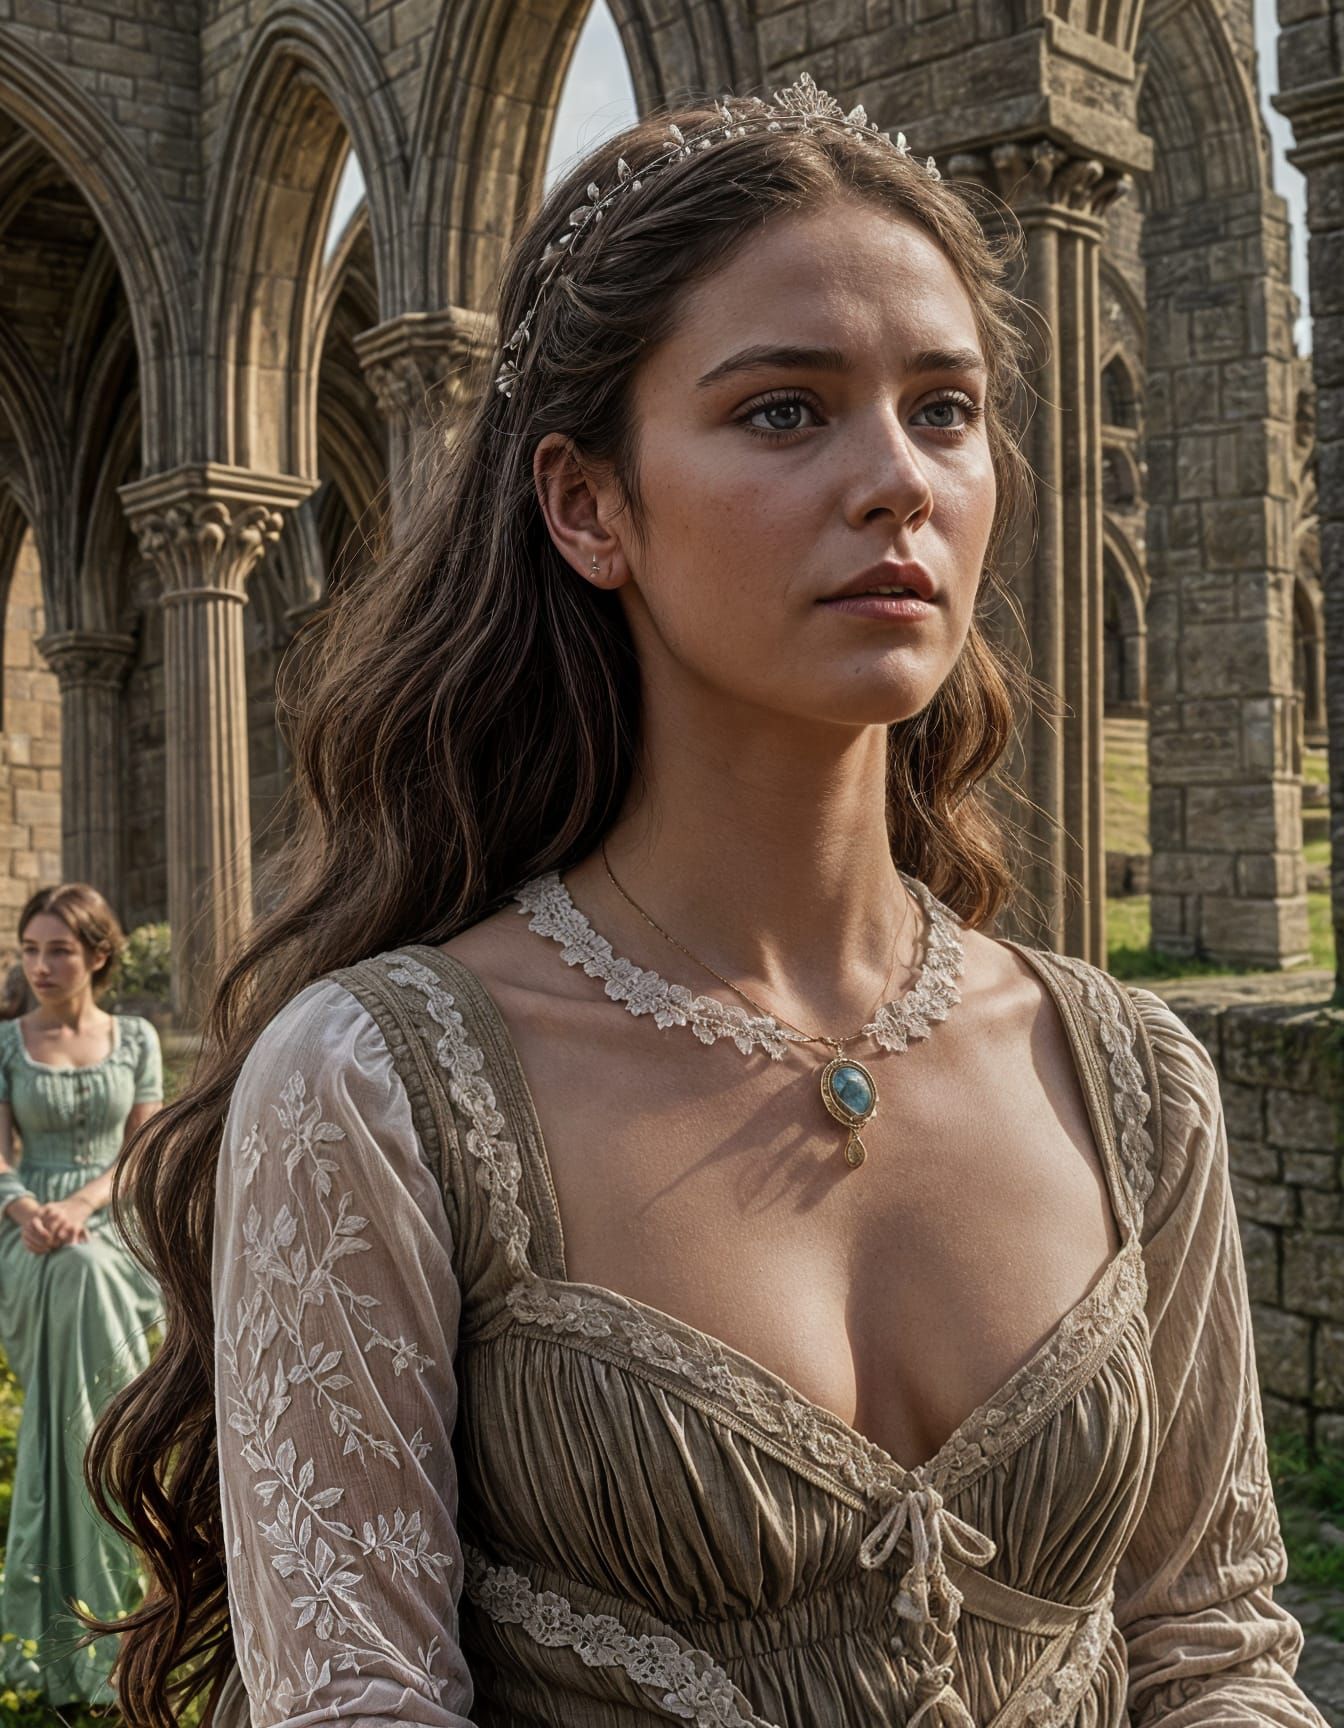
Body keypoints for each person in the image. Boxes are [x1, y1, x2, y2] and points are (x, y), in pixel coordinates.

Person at [86, 75, 1328, 1728]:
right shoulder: (381, 1084)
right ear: (587, 505)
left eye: (941, 408)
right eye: (782, 411)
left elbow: (1211, 1652)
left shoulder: (1126, 1080)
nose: (893, 477)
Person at [0, 882, 163, 1706]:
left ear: (99, 955)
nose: (40, 965)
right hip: (23, 1231)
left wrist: (83, 1205)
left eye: (58, 949)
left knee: (93, 1267)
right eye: (30, 949)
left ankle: (98, 1626)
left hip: (106, 1219)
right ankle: (76, 1637)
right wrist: (30, 1208)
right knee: (73, 1270)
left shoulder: (134, 1037)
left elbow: (139, 1158)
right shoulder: (4, 1045)